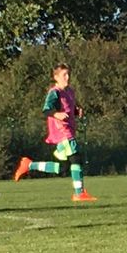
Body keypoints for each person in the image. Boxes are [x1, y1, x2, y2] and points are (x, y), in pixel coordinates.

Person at [13, 63, 96, 202]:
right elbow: (47, 109)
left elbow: (69, 108)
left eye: (68, 74)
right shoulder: (54, 92)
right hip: (62, 131)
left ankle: (29, 165)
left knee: (63, 168)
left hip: (69, 130)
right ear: (56, 77)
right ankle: (79, 193)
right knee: (76, 158)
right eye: (64, 75)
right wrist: (56, 114)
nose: (67, 77)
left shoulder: (70, 91)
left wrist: (77, 111)